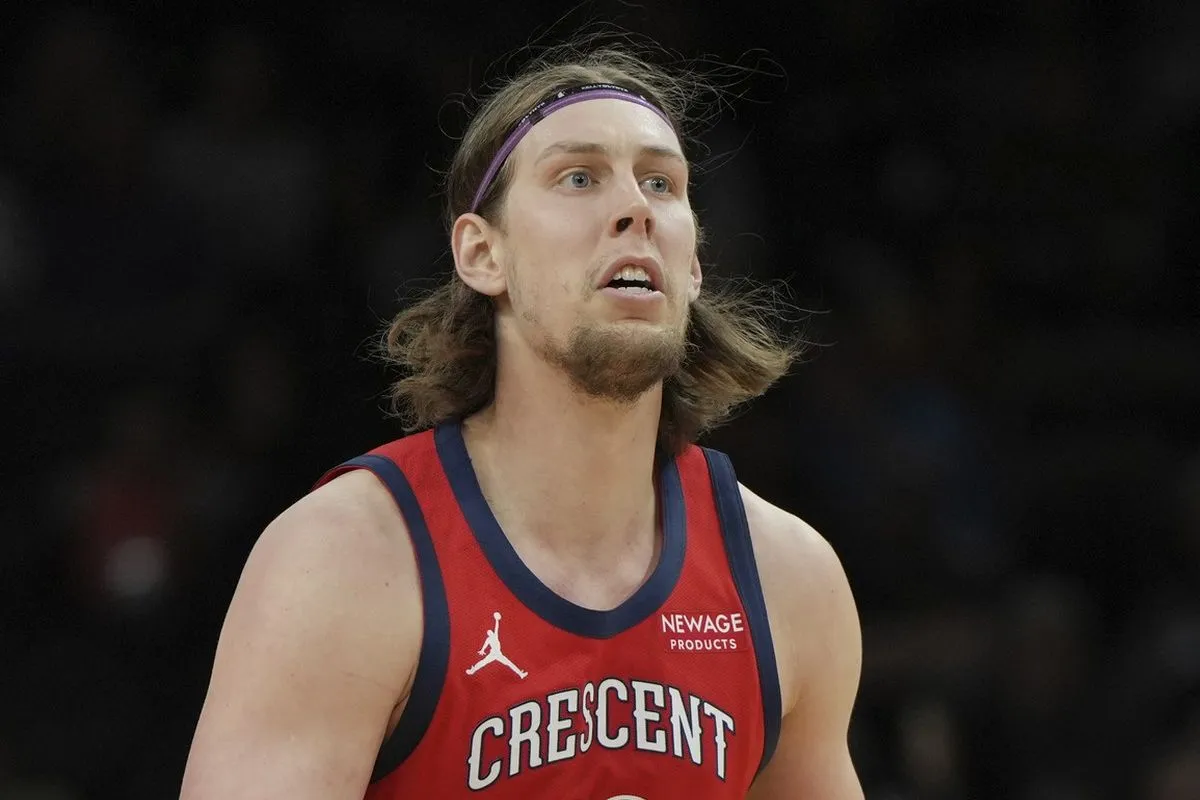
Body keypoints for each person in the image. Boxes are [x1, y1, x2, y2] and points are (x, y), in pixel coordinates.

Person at [180, 41, 864, 800]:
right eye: (579, 177)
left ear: (694, 266)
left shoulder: (788, 579)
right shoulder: (345, 560)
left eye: (662, 183)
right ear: (482, 254)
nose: (637, 208)